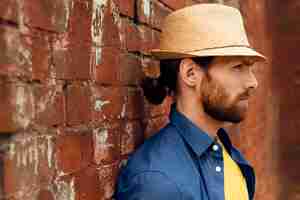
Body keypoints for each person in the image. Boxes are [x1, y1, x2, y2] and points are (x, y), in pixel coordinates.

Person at [114, 3, 266, 200]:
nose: (252, 82)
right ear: (190, 73)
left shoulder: (222, 149)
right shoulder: (158, 184)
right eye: (237, 67)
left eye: (249, 68)